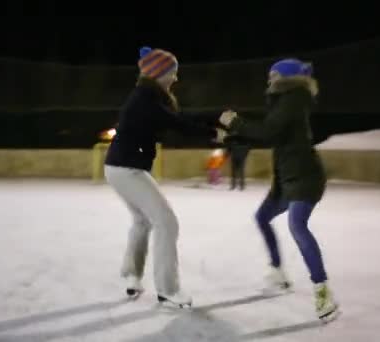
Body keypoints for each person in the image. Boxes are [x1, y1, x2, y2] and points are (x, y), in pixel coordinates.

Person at [104, 46, 226, 307]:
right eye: (172, 72)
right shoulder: (144, 100)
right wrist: (214, 134)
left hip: (120, 167)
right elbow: (178, 124)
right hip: (127, 169)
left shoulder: (150, 97)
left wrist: (215, 117)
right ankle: (167, 290)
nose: (176, 78)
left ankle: (132, 276)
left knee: (142, 222)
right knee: (166, 222)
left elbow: (178, 117)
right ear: (158, 73)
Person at [219, 58, 339, 321]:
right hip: (286, 178)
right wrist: (232, 136)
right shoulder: (284, 101)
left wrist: (235, 123)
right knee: (262, 218)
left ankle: (322, 291)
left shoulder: (295, 97)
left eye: (273, 75)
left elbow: (269, 131)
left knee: (297, 225)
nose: (269, 80)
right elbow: (272, 134)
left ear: (287, 78)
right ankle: (278, 272)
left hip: (305, 177)